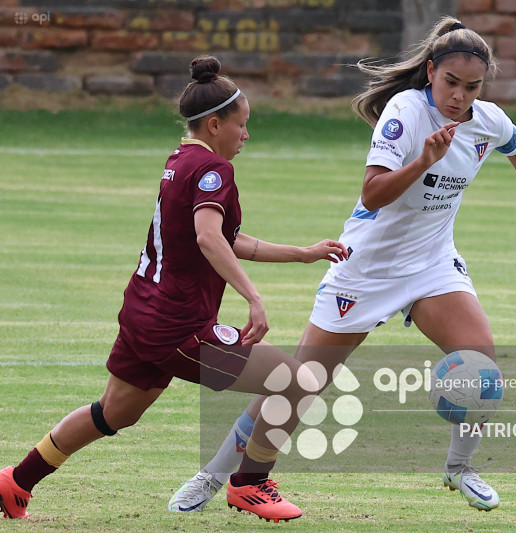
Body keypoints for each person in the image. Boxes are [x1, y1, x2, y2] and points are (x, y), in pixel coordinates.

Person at [169, 17, 516, 514]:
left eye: (472, 87)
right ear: (431, 71)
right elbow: (372, 193)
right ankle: (214, 476)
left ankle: (460, 469)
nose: (460, 97)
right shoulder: (405, 112)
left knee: (480, 365)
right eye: (451, 83)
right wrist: (423, 161)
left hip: (431, 264)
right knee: (302, 382)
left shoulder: (487, 120)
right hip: (365, 268)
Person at [0, 55, 349, 523]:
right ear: (214, 124)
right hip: (179, 325)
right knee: (296, 381)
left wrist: (302, 253)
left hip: (143, 313)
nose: (246, 135)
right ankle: (249, 484)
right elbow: (209, 237)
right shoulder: (214, 170)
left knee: (113, 413)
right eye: (241, 125)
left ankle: (16, 480)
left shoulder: (179, 161)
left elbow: (224, 238)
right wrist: (253, 297)